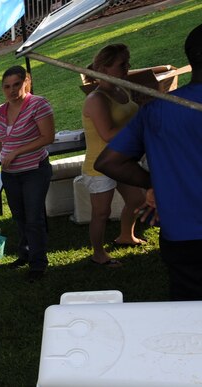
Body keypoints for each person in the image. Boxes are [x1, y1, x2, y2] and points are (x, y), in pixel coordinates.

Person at [95, 23, 202, 300]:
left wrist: (159, 183)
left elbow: (110, 162)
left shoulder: (157, 109)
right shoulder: (154, 109)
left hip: (182, 237)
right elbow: (108, 161)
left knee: (190, 318)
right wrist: (159, 183)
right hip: (183, 232)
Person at [0, 65, 54, 282]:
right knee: (20, 218)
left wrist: (18, 151)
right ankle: (25, 254)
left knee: (34, 218)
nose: (11, 90)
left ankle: (38, 264)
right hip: (10, 174)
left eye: (16, 85)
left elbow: (48, 137)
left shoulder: (38, 104)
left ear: (26, 82)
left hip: (34, 171)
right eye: (6, 87)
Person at [81, 43, 147, 267]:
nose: (127, 68)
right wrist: (141, 123)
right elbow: (108, 134)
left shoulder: (121, 89)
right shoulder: (96, 99)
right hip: (100, 165)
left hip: (120, 160)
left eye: (128, 62)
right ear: (104, 68)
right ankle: (98, 254)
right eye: (122, 64)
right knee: (101, 212)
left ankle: (126, 236)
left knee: (137, 200)